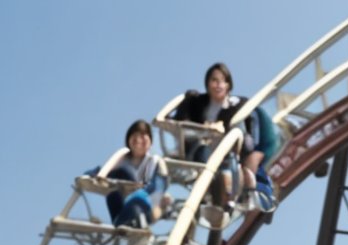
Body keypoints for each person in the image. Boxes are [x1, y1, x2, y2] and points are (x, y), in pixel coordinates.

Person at [170, 62, 274, 213]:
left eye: (222, 81)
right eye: (214, 80)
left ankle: (253, 195)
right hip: (203, 151)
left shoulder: (238, 105)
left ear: (228, 85)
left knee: (246, 165)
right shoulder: (197, 102)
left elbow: (247, 135)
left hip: (229, 152)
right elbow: (180, 122)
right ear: (207, 83)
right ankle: (210, 196)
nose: (218, 85)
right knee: (203, 153)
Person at [97, 120, 172, 229]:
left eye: (143, 135)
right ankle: (122, 222)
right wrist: (97, 177)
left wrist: (160, 200)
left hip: (143, 202)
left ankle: (133, 222)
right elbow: (102, 171)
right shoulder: (122, 161)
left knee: (137, 201)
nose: (138, 139)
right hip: (124, 204)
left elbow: (160, 184)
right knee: (114, 188)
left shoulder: (154, 161)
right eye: (135, 135)